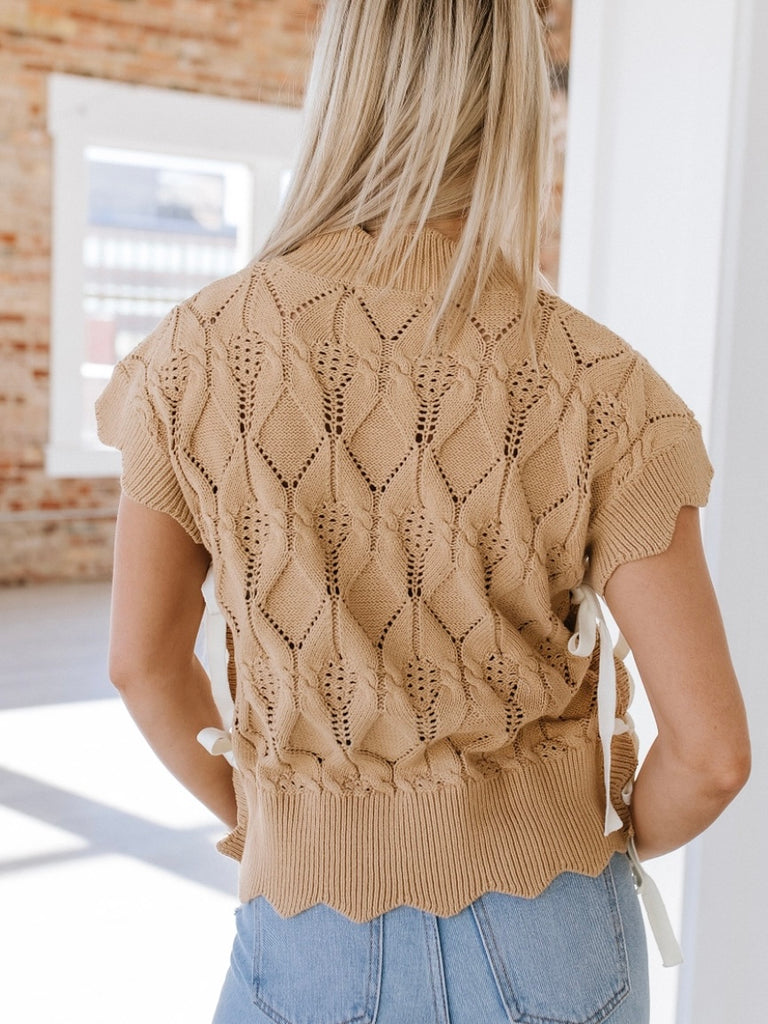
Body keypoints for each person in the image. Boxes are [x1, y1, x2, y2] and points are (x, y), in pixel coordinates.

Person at [96, 2, 750, 1022]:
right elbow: (711, 754)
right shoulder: (606, 387)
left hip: (305, 926)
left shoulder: (192, 356)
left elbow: (142, 663)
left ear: (342, 91)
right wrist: (608, 849)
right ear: (523, 106)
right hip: (554, 931)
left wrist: (284, 822)